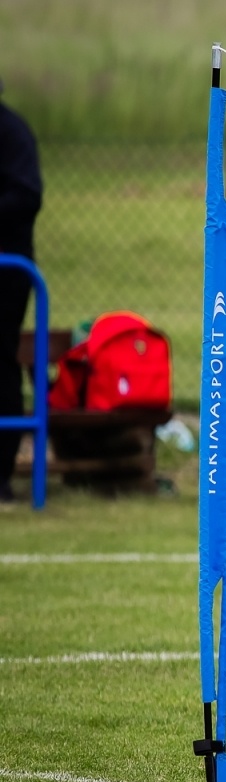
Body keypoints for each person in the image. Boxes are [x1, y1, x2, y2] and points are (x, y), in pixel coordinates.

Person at [0, 87, 42, 504]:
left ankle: (3, 471)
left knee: (1, 359)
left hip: (8, 271)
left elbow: (28, 196)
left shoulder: (12, 133)